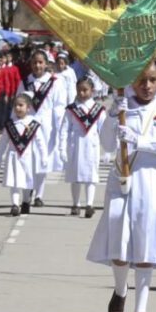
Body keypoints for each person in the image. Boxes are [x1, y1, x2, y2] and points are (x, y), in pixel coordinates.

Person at [87, 62, 156, 312]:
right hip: (122, 180)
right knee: (119, 243)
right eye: (141, 80)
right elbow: (106, 143)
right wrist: (113, 115)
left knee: (146, 245)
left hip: (151, 182)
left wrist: (139, 140)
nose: (147, 86)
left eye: (153, 80)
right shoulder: (122, 106)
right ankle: (120, 290)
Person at [19, 49, 67, 206]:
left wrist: (59, 125)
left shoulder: (55, 82)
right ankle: (26, 193)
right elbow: (18, 103)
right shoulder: (25, 82)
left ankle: (39, 194)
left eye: (40, 62)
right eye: (34, 62)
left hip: (47, 126)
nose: (37, 65)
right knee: (27, 160)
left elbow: (59, 105)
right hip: (27, 125)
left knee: (42, 160)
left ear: (46, 64)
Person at [59, 77, 108, 218]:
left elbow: (104, 131)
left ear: (92, 91)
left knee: (91, 175)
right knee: (75, 176)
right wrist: (62, 148)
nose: (82, 93)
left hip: (92, 146)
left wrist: (107, 150)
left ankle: (89, 205)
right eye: (79, 90)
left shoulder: (98, 110)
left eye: (85, 90)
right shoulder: (71, 109)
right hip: (75, 145)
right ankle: (76, 204)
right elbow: (64, 129)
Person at [0, 93, 48, 216]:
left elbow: (40, 142)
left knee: (27, 181)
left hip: (28, 157)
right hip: (13, 156)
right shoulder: (10, 124)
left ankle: (25, 201)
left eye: (21, 105)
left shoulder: (33, 123)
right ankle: (15, 204)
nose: (17, 108)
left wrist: (44, 157)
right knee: (14, 182)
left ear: (28, 108)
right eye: (15, 105)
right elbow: (3, 141)